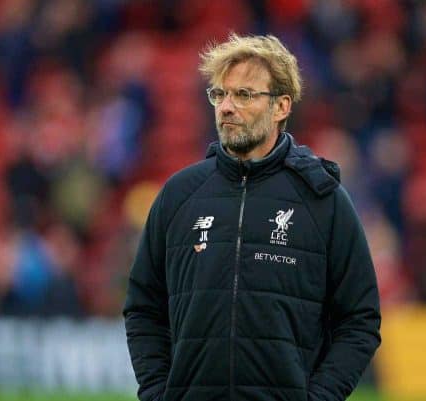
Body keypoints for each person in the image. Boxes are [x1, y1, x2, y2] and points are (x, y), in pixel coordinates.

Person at [123, 33, 381, 401]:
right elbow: (143, 309)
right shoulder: (179, 195)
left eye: (243, 95)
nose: (226, 106)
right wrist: (157, 393)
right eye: (220, 94)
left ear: (281, 107)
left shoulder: (324, 201)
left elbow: (360, 320)